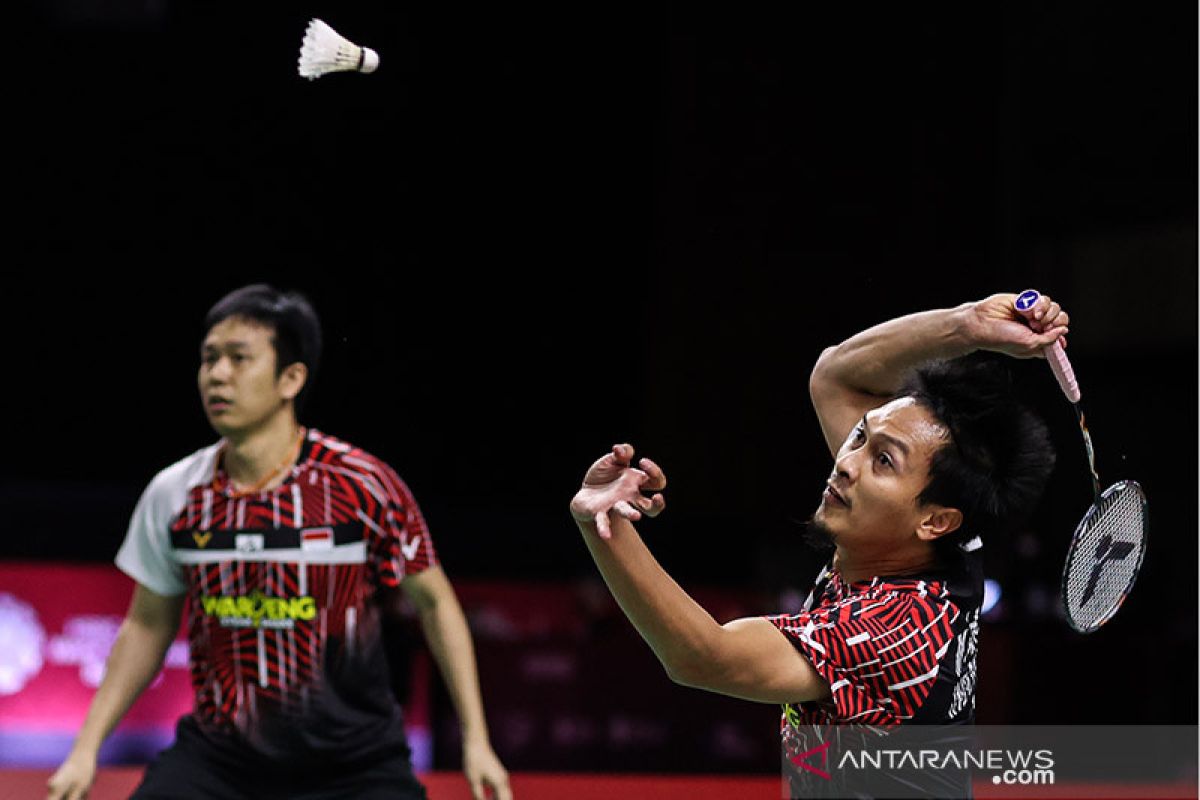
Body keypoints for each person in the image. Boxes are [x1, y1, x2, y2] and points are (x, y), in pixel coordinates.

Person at [567, 291, 1066, 798]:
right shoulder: (940, 543)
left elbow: (704, 657)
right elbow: (837, 377)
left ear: (934, 520)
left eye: (884, 461)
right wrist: (970, 323)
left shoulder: (892, 631)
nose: (846, 462)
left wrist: (602, 524)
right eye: (860, 439)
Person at [47, 284, 510, 800]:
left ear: (291, 378)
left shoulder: (361, 485)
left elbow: (436, 602)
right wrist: (86, 748)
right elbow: (148, 623)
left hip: (354, 761)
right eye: (209, 359)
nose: (217, 375)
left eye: (238, 359)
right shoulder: (176, 493)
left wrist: (477, 739)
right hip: (221, 758)